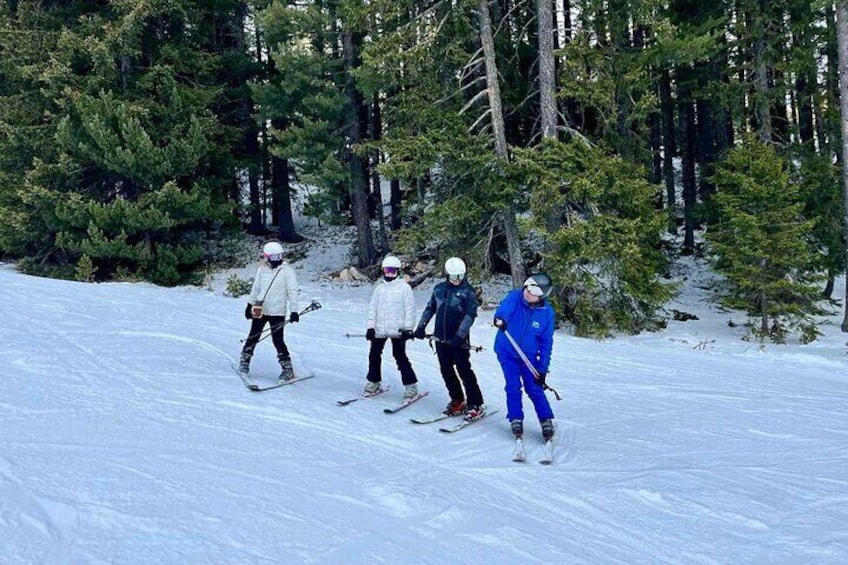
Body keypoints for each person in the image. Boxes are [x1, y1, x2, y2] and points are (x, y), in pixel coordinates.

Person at [413, 257, 484, 420]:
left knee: (464, 370)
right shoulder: (439, 289)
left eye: (460, 276)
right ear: (447, 275)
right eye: (454, 276)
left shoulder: (468, 292)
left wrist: (460, 336)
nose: (457, 280)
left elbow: (470, 315)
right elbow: (430, 308)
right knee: (446, 370)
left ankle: (475, 403)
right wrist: (421, 327)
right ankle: (457, 399)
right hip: (440, 338)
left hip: (458, 340)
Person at [493, 273, 555, 441]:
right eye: (527, 287)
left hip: (528, 356)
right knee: (513, 385)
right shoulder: (515, 297)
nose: (527, 292)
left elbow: (546, 343)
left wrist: (542, 369)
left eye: (533, 291)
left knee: (534, 387)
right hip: (507, 351)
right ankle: (515, 418)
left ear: (542, 295)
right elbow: (505, 309)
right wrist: (501, 319)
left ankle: (546, 419)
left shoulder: (546, 313)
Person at [239, 241, 300, 380]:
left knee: (278, 340)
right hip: (260, 309)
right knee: (254, 335)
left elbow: (292, 291)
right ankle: (244, 361)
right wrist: (249, 305)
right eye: (273, 257)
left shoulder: (287, 272)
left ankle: (287, 368)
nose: (277, 260)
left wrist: (294, 311)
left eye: (279, 256)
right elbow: (256, 289)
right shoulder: (262, 270)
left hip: (277, 311)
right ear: (266, 257)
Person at [364, 255, 419, 399]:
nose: (389, 274)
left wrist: (408, 328)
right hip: (380, 329)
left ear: (398, 272)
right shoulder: (379, 289)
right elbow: (372, 309)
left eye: (393, 271)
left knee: (399, 356)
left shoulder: (404, 288)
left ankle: (410, 385)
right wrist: (371, 327)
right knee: (374, 354)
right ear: (383, 271)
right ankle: (374, 381)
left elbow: (410, 310)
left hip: (398, 330)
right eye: (387, 271)